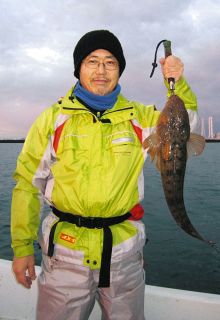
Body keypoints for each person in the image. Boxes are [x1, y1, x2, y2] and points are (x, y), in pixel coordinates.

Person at [11, 30, 200, 320]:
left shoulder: (142, 117)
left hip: (124, 256)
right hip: (64, 256)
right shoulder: (52, 119)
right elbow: (27, 184)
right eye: (92, 61)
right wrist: (22, 246)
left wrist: (178, 84)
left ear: (119, 70)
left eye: (110, 62)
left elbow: (190, 125)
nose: (101, 70)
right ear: (79, 68)